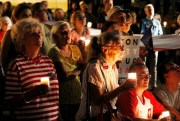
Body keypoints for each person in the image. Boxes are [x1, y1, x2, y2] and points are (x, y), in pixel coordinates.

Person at [2, 18, 59, 120]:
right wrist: (33, 93)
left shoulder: (48, 62)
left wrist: (58, 115)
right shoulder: (16, 65)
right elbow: (9, 102)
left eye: (39, 33)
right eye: (33, 34)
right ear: (22, 39)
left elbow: (55, 95)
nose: (39, 36)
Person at [76, 32, 136, 121]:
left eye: (123, 47)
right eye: (119, 47)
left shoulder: (113, 67)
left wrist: (118, 115)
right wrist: (122, 88)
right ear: (105, 49)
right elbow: (98, 100)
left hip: (105, 116)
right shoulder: (94, 67)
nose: (123, 50)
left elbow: (109, 103)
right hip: (91, 117)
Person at [48, 21, 84, 121]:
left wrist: (83, 50)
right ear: (55, 36)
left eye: (68, 31)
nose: (67, 35)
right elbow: (65, 76)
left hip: (79, 96)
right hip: (64, 99)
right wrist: (79, 69)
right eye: (63, 32)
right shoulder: (54, 51)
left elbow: (84, 67)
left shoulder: (75, 48)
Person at [0, 2, 32, 76]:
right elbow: (3, 58)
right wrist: (8, 75)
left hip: (30, 72)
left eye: (30, 15)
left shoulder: (33, 32)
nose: (28, 18)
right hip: (15, 74)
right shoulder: (10, 33)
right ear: (17, 17)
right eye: (24, 15)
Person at [140, 4, 163, 90]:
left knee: (154, 67)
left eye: (151, 9)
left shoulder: (157, 22)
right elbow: (142, 34)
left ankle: (153, 84)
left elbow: (160, 34)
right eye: (148, 10)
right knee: (143, 66)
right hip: (145, 47)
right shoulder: (143, 21)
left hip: (155, 47)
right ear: (145, 11)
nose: (150, 11)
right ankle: (142, 83)